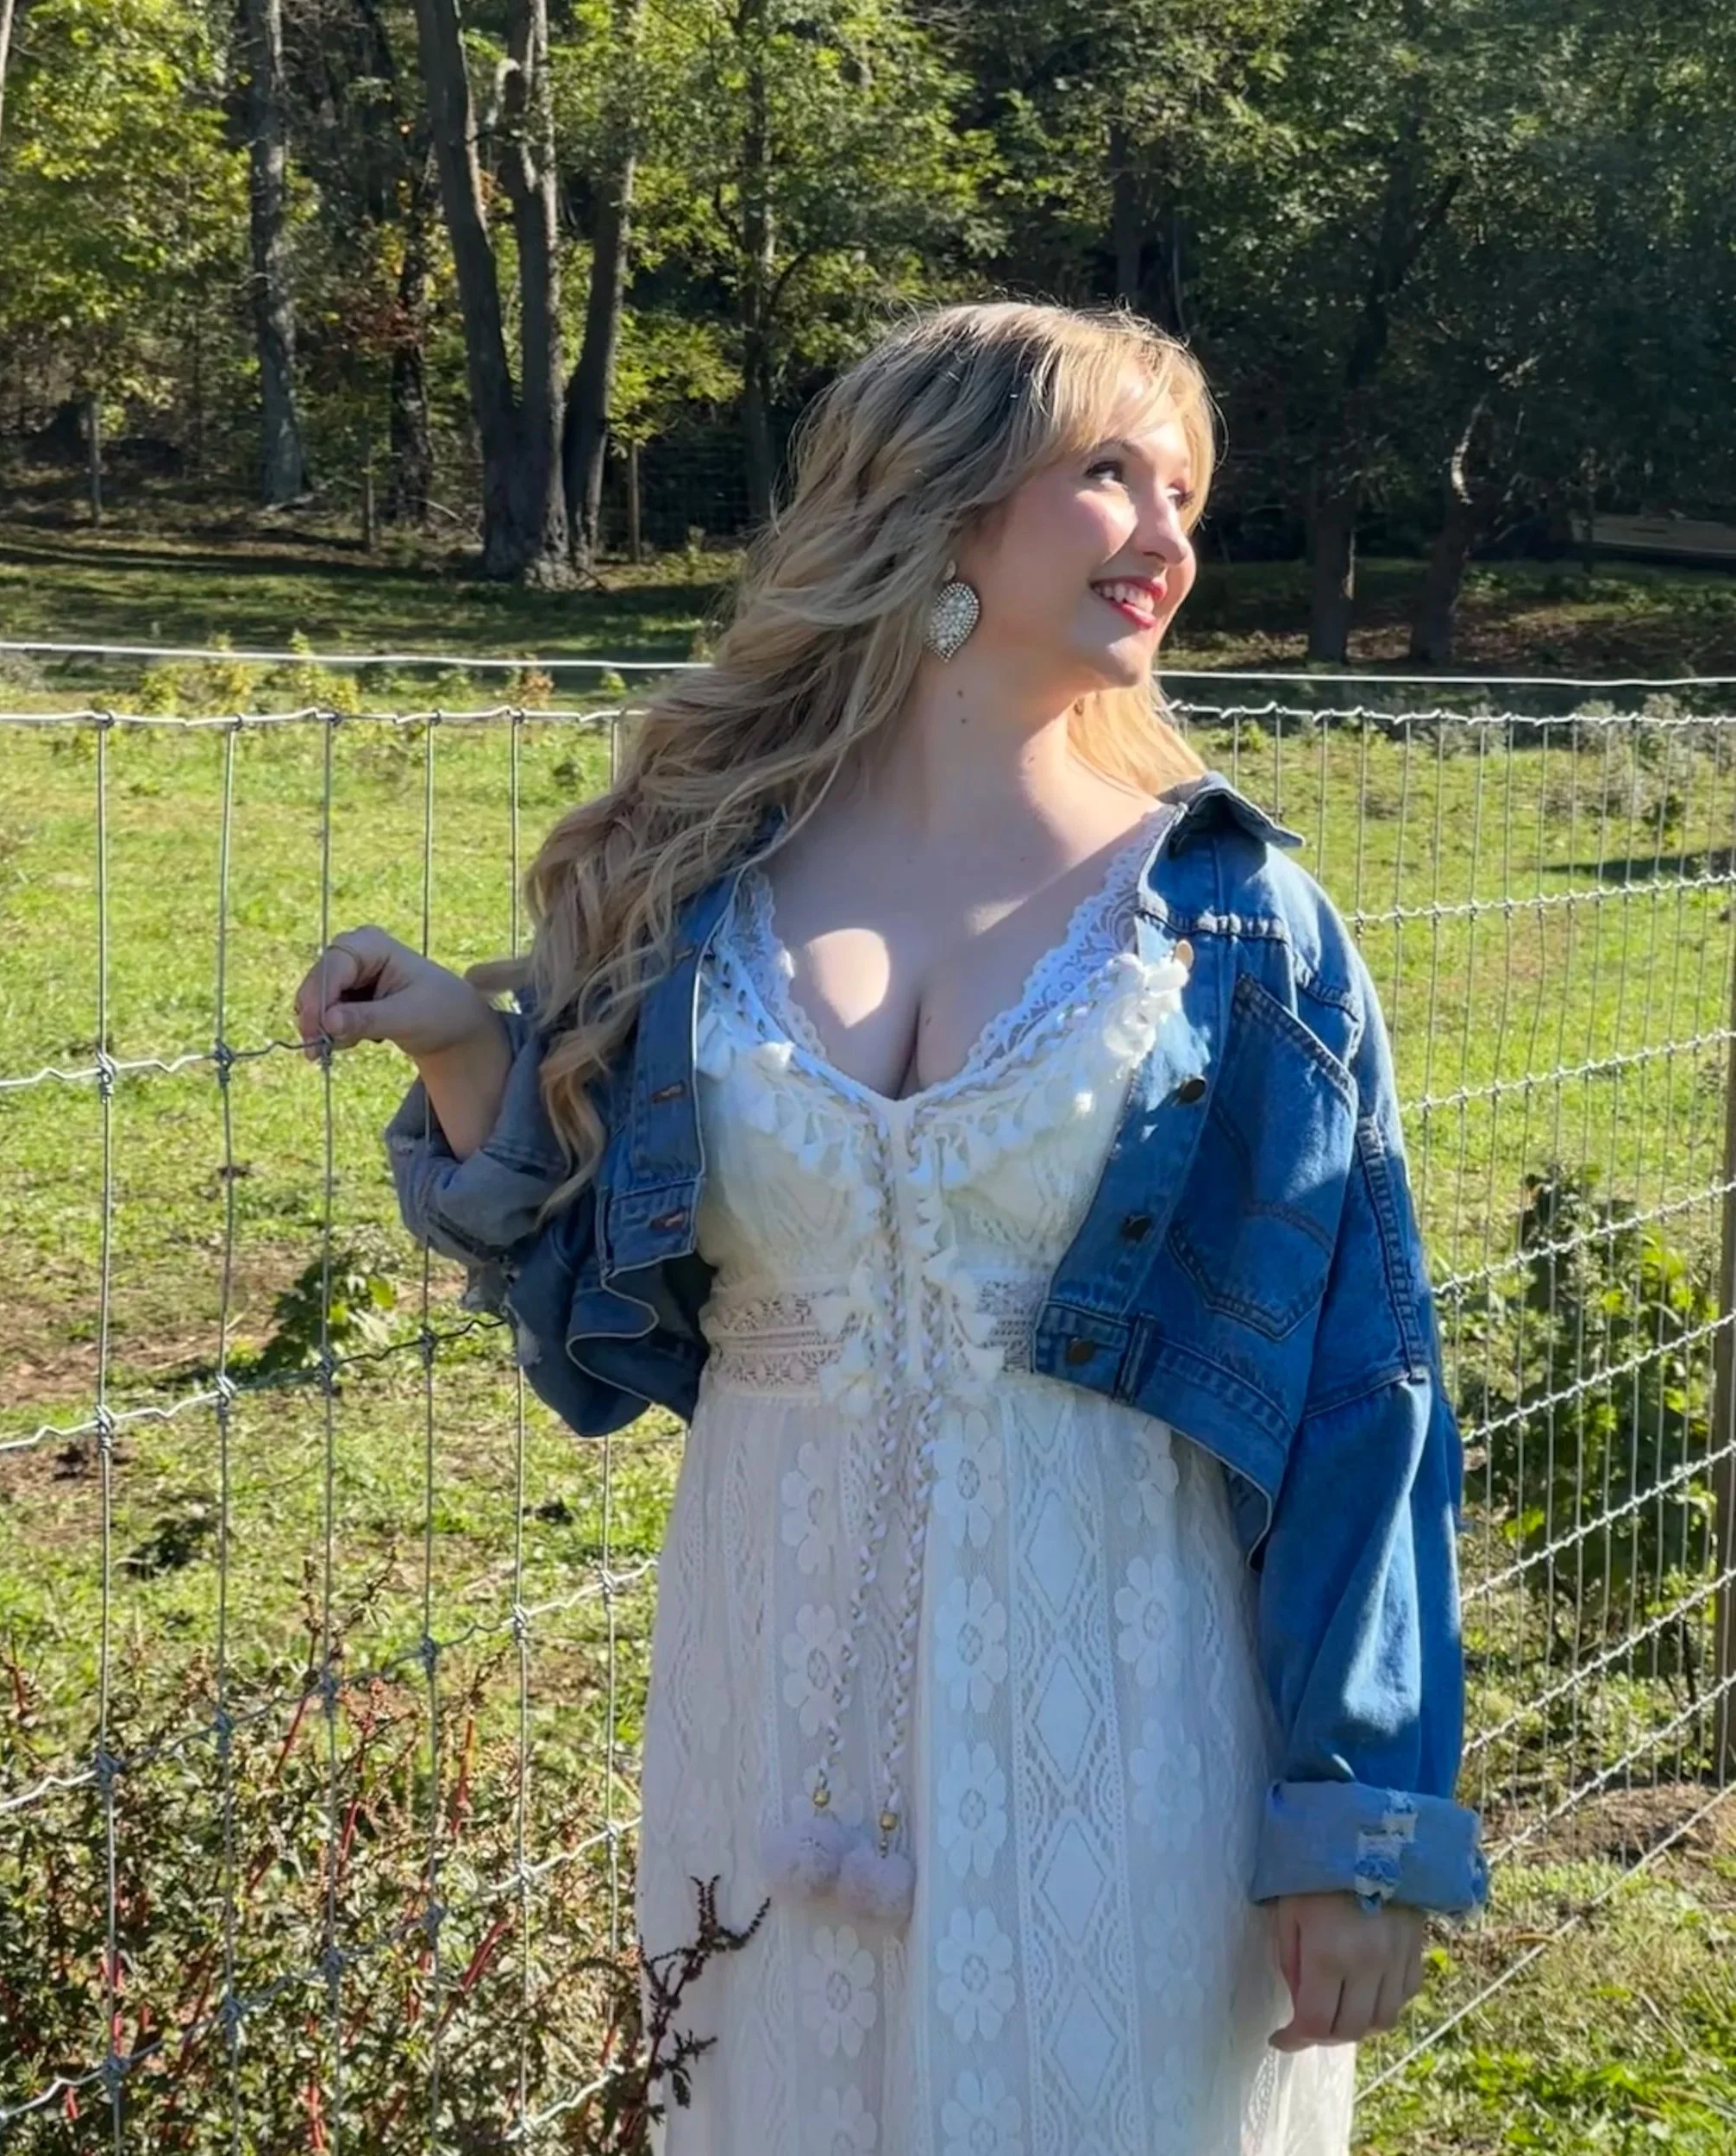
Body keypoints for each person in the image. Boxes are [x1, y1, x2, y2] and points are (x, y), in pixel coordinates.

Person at [297, 299, 1489, 2155]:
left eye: (1182, 486)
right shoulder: (705, 894)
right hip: (757, 1705)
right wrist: (471, 1052)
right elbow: (584, 1333)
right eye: (1107, 472)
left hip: (1123, 1706)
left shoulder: (1240, 929)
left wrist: (1356, 1815)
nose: (1166, 531)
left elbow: (1361, 1392)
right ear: (938, 498)